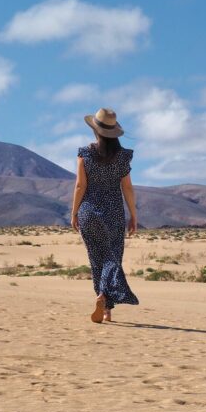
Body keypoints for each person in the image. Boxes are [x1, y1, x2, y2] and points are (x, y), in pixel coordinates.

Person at [70, 107, 139, 323]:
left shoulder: (85, 153)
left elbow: (80, 186)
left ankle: (103, 301)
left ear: (95, 130)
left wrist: (74, 213)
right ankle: (106, 304)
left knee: (97, 259)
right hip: (114, 214)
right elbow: (127, 188)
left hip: (88, 212)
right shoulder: (122, 157)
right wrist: (133, 215)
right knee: (112, 258)